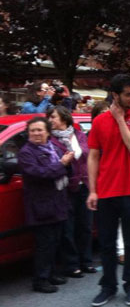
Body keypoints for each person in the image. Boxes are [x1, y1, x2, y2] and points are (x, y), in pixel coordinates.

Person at [87, 74, 130, 307]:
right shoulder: (99, 121)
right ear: (115, 95)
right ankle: (108, 286)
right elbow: (93, 156)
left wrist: (120, 119)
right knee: (106, 243)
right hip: (106, 190)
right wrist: (92, 190)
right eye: (128, 94)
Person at [19, 117, 74, 293]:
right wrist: (62, 164)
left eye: (40, 130)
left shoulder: (54, 148)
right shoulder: (26, 153)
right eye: (32, 130)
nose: (36, 133)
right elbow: (39, 174)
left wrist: (67, 164)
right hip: (41, 205)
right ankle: (40, 280)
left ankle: (51, 274)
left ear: (48, 132)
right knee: (45, 244)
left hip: (58, 201)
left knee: (55, 241)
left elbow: (67, 170)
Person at [48, 106, 95, 277]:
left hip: (84, 185)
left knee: (86, 226)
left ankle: (86, 261)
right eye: (49, 117)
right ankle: (72, 264)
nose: (50, 120)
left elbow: (89, 157)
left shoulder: (80, 135)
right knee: (68, 228)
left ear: (64, 118)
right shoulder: (51, 140)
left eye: (53, 117)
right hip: (65, 188)